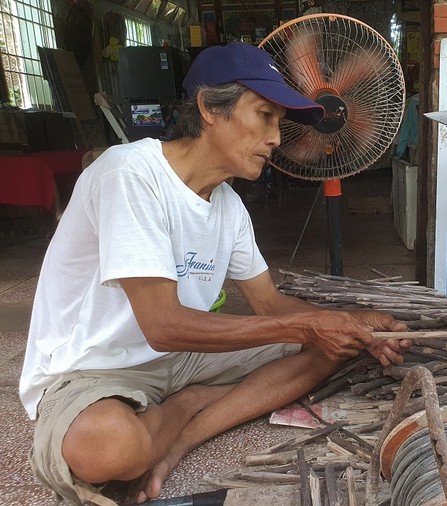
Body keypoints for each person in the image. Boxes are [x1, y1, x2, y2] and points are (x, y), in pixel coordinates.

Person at [19, 42, 411, 505]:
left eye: (279, 124)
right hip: (95, 369)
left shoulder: (227, 205)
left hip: (182, 360)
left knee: (331, 347)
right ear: (209, 107)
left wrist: (355, 322)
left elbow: (271, 305)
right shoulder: (130, 174)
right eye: (264, 115)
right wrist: (308, 324)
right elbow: (162, 326)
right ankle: (187, 403)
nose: (276, 139)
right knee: (108, 448)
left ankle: (184, 433)